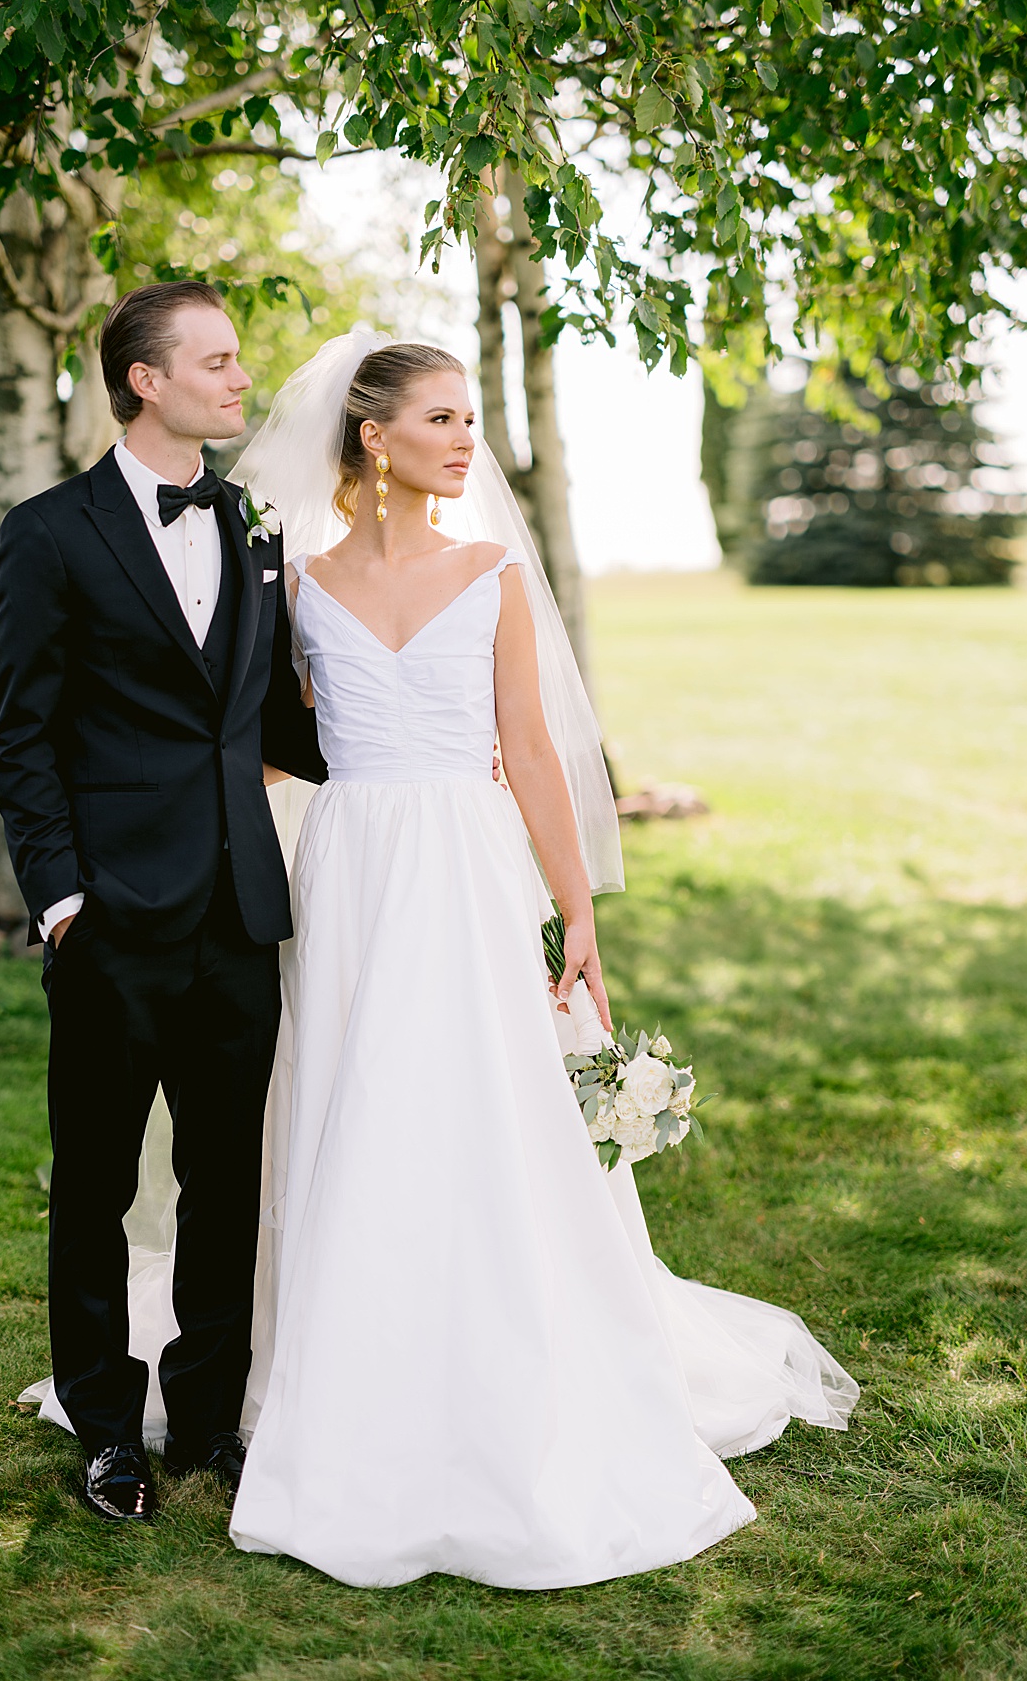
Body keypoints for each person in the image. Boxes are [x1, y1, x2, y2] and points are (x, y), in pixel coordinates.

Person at [215, 333, 859, 1588]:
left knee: (482, 1105)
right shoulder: (294, 581)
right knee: (352, 1097)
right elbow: (284, 739)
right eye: (442, 419)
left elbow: (538, 750)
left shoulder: (490, 571)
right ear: (371, 438)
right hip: (347, 866)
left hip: (465, 861)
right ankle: (350, 1365)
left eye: (470, 419)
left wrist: (576, 911)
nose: (467, 440)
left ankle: (512, 1354)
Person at [0, 282, 327, 1524]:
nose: (243, 381)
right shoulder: (50, 532)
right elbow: (19, 735)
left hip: (239, 908)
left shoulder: (253, 525)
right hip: (111, 916)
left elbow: (278, 718)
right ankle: (103, 1427)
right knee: (96, 1179)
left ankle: (204, 1419)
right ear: (147, 379)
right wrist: (62, 899)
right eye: (219, 362)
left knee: (225, 1179)